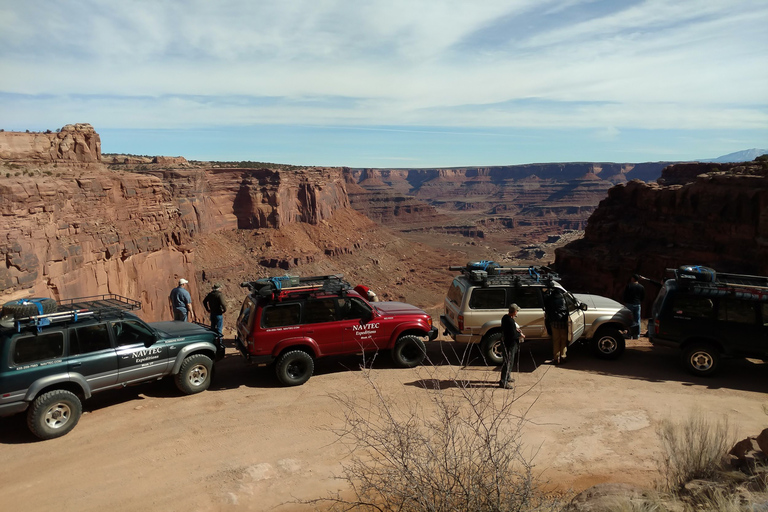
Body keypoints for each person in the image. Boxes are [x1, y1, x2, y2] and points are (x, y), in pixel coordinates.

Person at [499, 304, 524, 389]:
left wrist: (516, 330)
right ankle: (503, 381)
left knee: (510, 361)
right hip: (508, 344)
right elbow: (512, 335)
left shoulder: (505, 318)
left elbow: (510, 330)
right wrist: (520, 335)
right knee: (507, 362)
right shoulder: (510, 321)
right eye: (517, 311)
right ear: (514, 312)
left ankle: (508, 376)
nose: (517, 312)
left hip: (507, 343)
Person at [544, 287, 569, 364]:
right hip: (563, 321)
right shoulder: (564, 298)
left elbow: (547, 308)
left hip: (554, 322)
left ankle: (556, 358)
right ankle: (563, 356)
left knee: (556, 340)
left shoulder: (550, 299)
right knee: (564, 340)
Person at [623, 274, 645, 339]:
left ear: (633, 278)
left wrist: (625, 302)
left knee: (630, 320)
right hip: (637, 304)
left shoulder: (629, 286)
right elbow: (643, 297)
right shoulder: (641, 287)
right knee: (637, 319)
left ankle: (629, 334)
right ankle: (637, 335)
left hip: (629, 304)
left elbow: (625, 295)